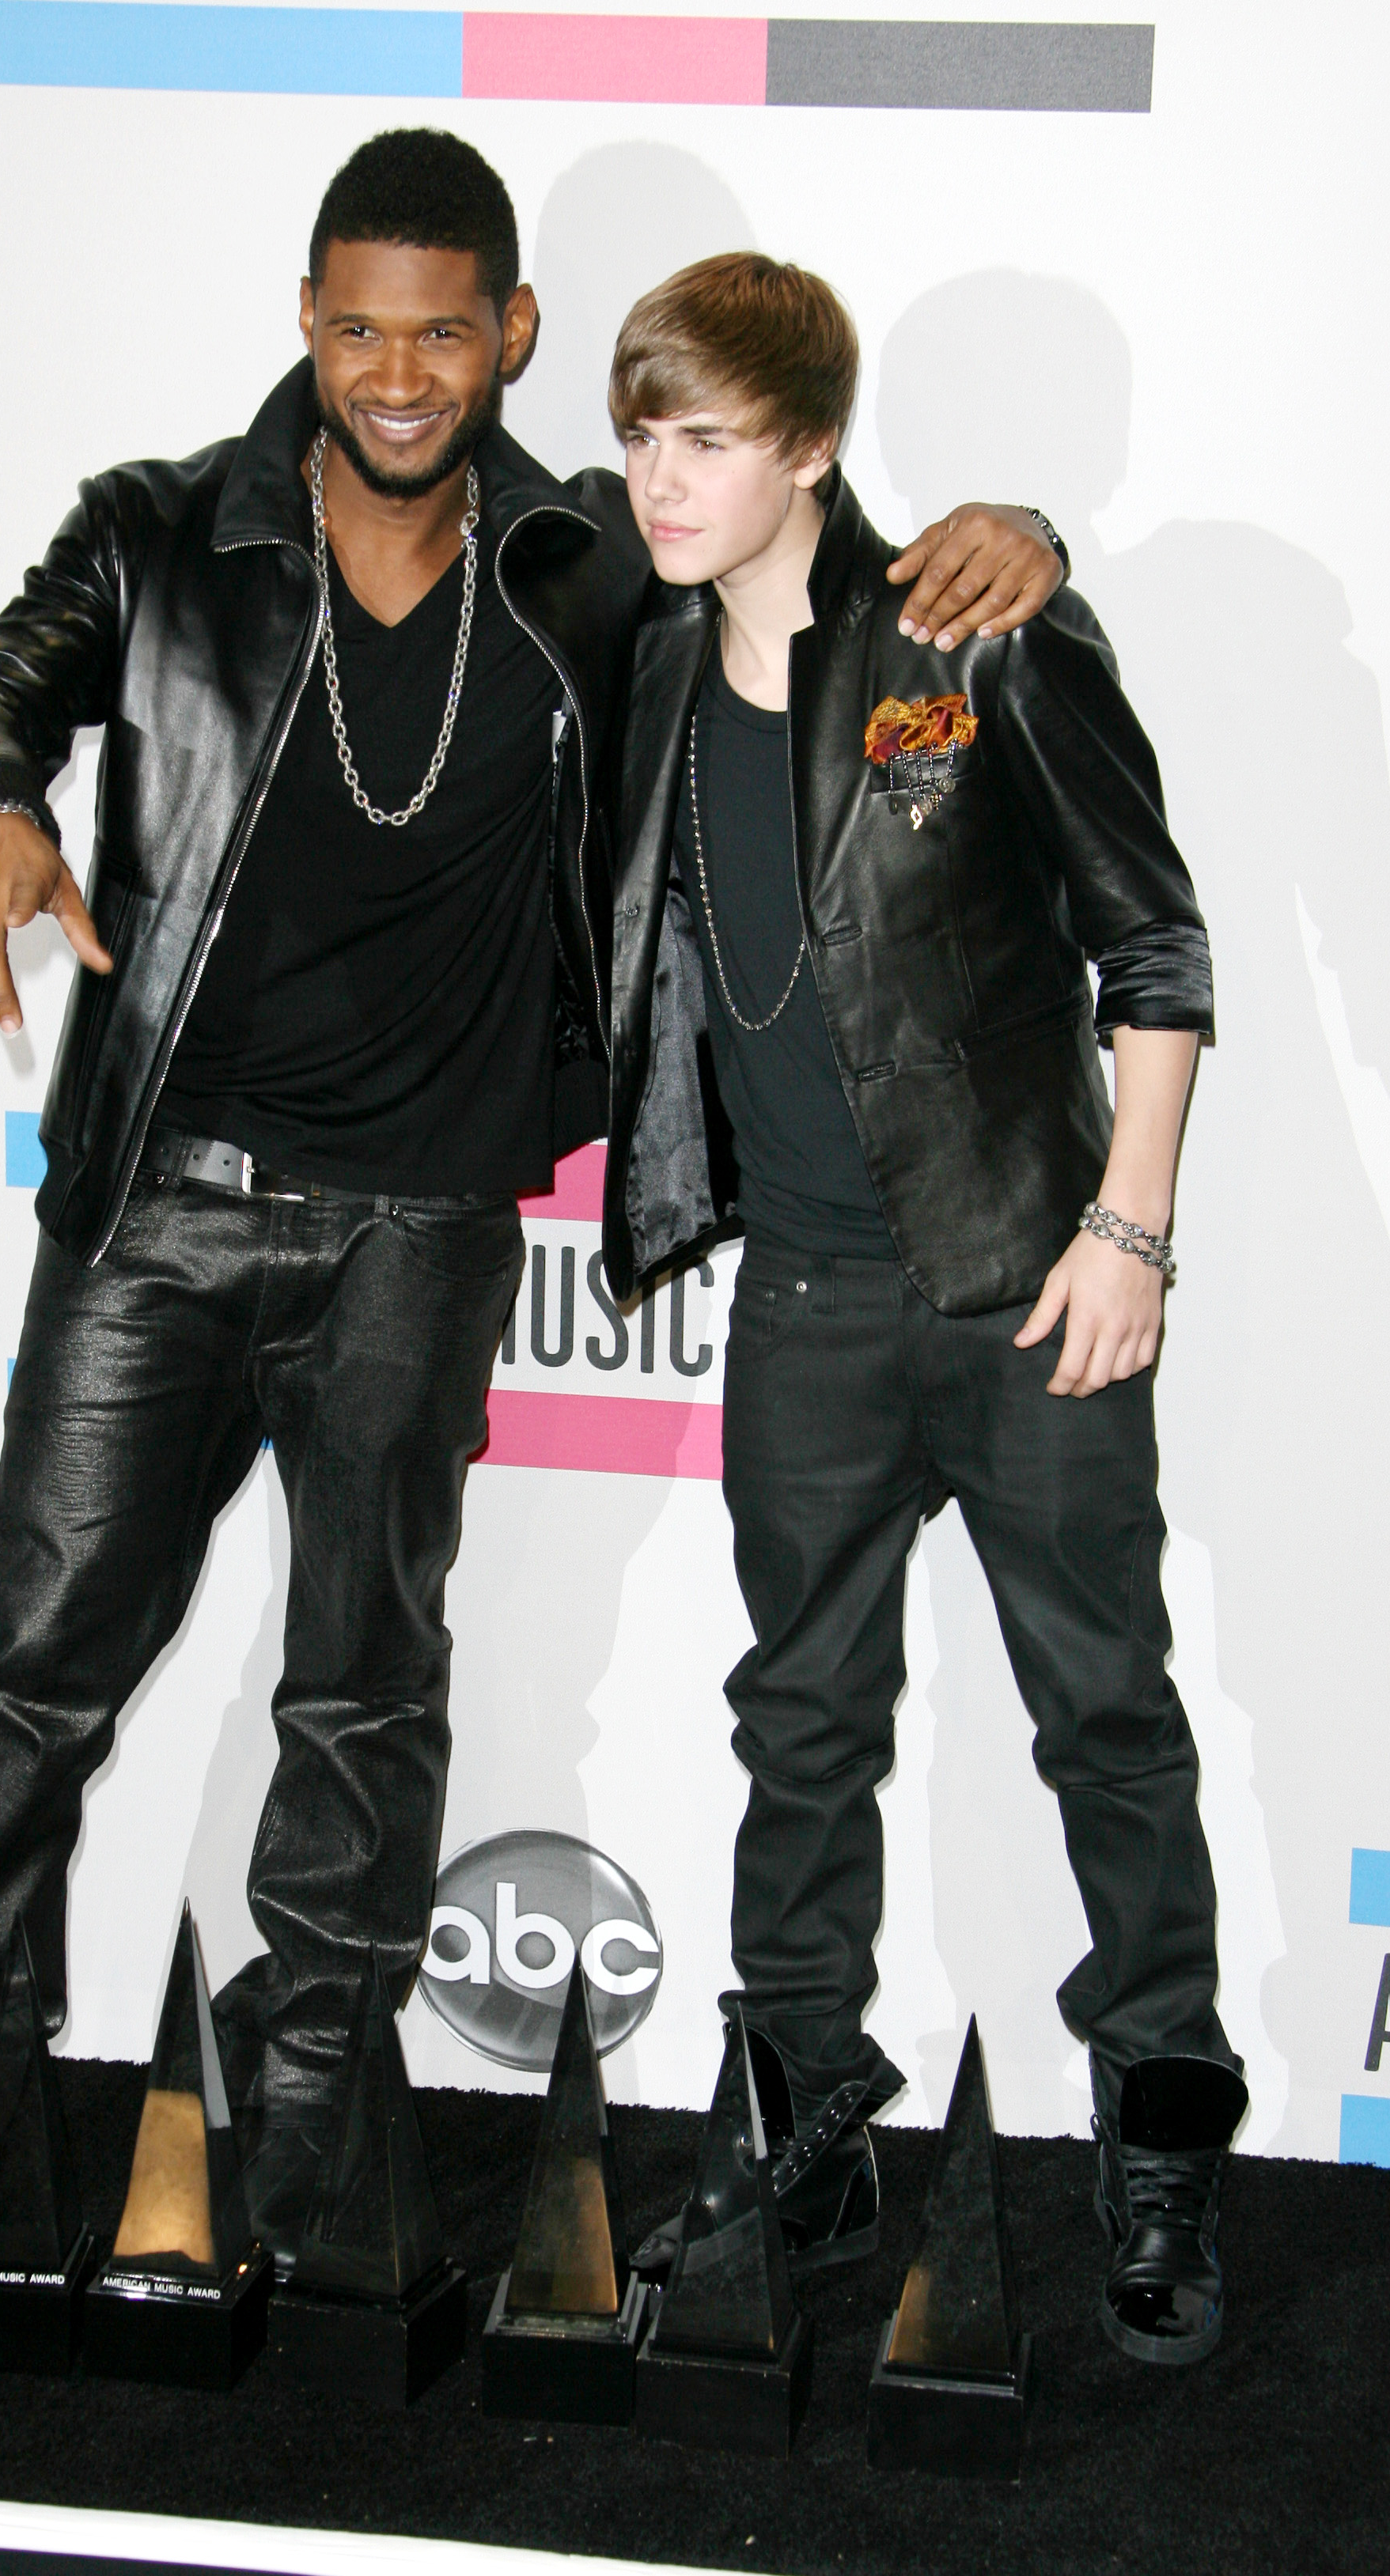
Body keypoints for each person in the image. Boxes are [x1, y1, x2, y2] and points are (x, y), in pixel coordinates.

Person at [0, 132, 1064, 2334]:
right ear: (309, 324)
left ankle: (314, 2095)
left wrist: (1018, 535)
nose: (397, 372)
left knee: (365, 1687)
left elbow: (802, 567)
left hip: (421, 1226)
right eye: (356, 327)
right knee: (26, 1678)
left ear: (510, 339)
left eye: (441, 328)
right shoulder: (158, 533)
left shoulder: (586, 566)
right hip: (158, 1213)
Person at [600, 253, 1247, 2366]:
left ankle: (1159, 2134)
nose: (657, 477)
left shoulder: (978, 631)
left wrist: (1124, 1234)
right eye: (637, 432)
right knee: (795, 1731)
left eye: (702, 436)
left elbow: (1151, 951)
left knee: (1107, 1724)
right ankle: (801, 2118)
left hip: (1022, 1287)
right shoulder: (644, 670)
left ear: (807, 442)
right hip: (796, 1297)